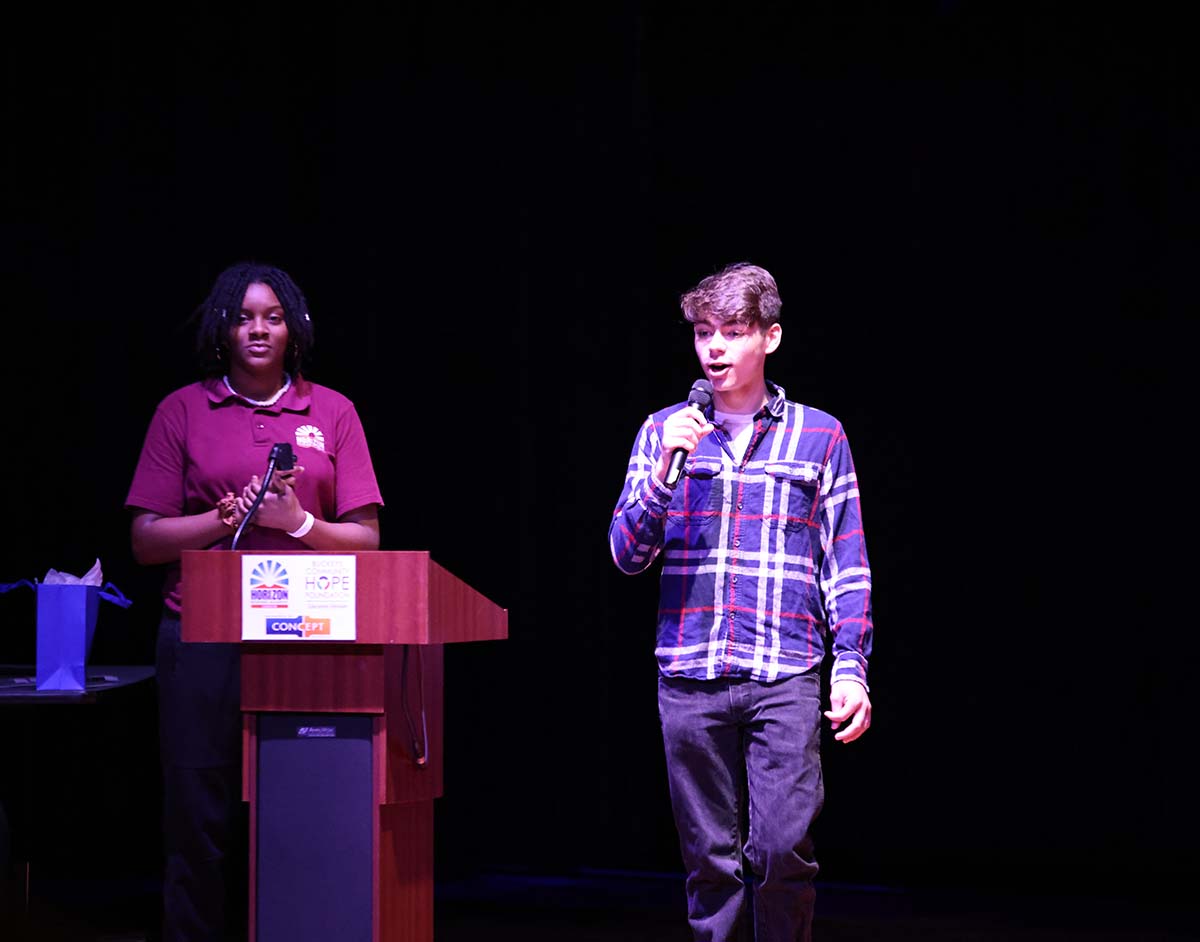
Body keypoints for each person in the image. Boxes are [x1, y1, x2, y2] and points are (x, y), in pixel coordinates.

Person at [608, 262, 873, 942]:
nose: (715, 347)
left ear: (770, 337)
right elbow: (627, 554)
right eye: (704, 332)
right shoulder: (663, 432)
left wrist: (851, 668)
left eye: (732, 330)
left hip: (784, 673)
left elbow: (845, 562)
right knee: (709, 865)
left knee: (783, 853)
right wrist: (663, 475)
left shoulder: (820, 435)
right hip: (690, 674)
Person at [125, 261, 384, 941]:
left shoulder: (333, 411)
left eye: (273, 317)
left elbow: (367, 541)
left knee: (305, 808)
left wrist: (296, 523)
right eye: (243, 318)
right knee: (198, 816)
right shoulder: (181, 410)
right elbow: (146, 541)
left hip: (310, 638)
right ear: (222, 330)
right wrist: (224, 518)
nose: (259, 329)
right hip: (202, 636)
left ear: (294, 330)